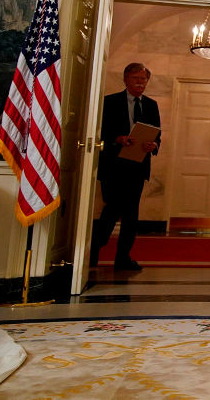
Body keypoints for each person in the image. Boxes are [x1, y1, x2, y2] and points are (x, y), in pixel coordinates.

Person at [90, 63, 161, 271]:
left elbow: (157, 134)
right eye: (136, 78)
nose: (140, 82)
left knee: (131, 214)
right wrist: (117, 139)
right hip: (114, 166)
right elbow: (99, 132)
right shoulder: (110, 102)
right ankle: (93, 251)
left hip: (137, 166)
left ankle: (123, 257)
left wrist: (154, 145)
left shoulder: (151, 105)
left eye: (143, 79)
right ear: (126, 79)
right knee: (111, 210)